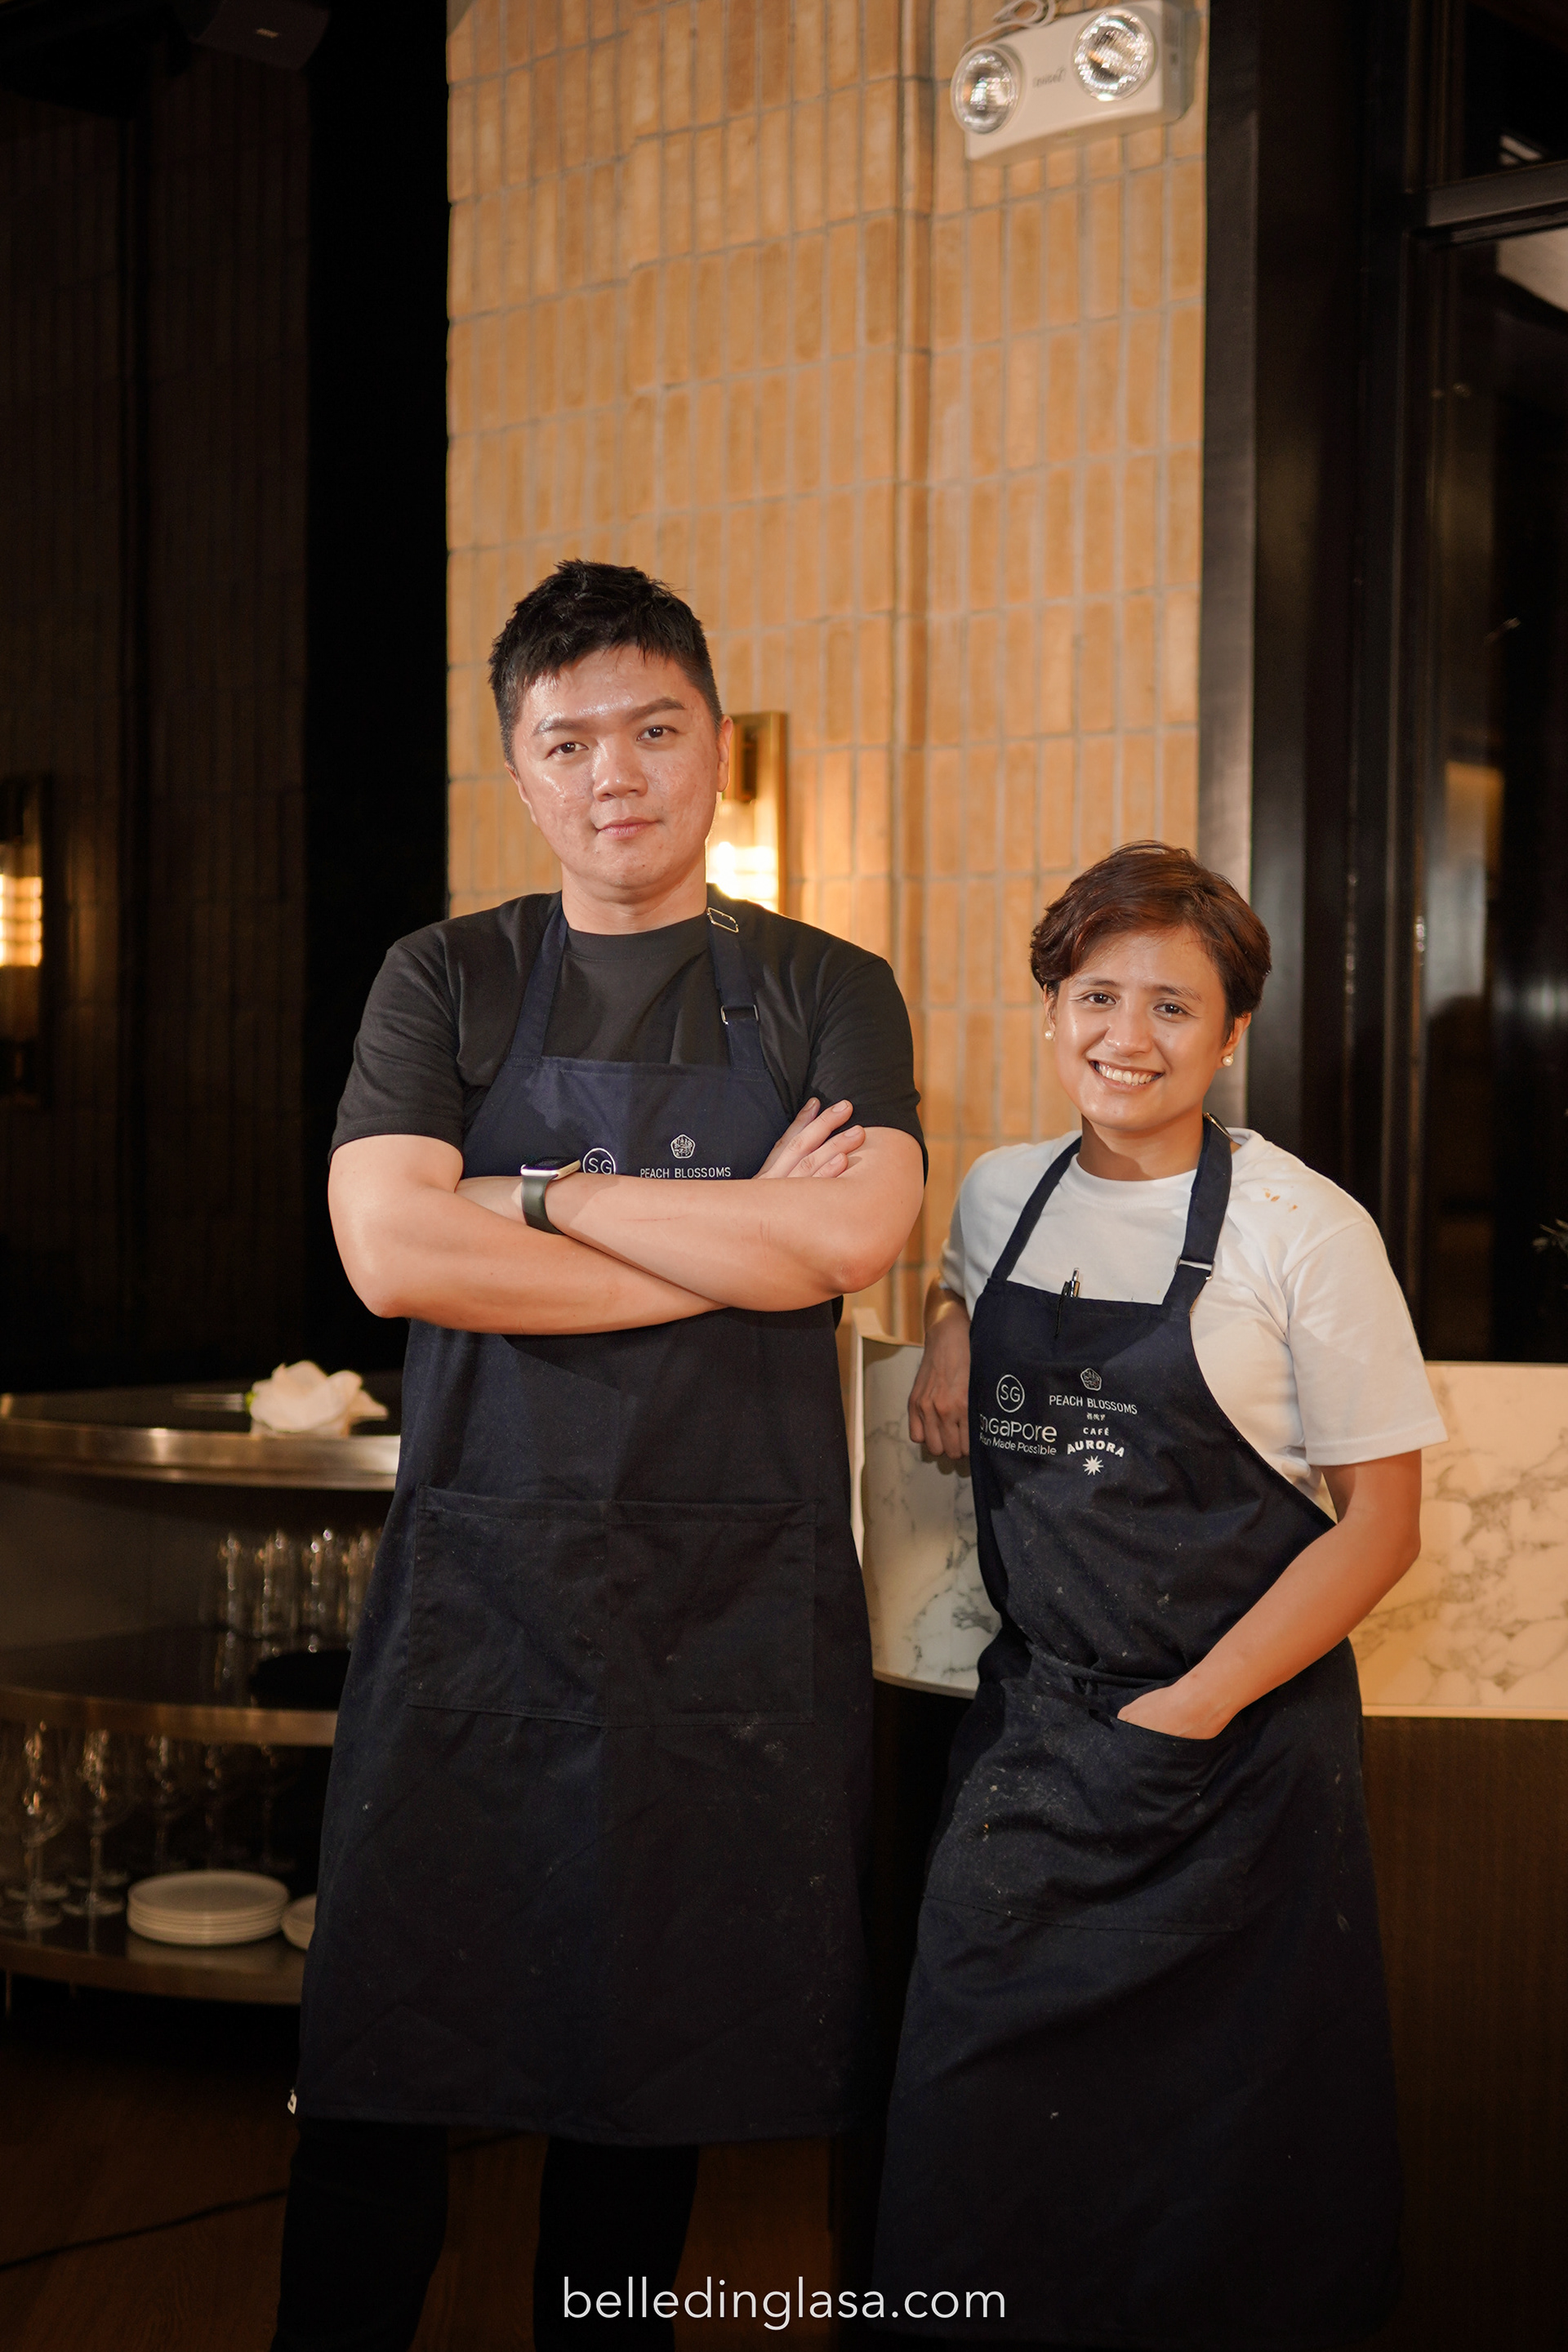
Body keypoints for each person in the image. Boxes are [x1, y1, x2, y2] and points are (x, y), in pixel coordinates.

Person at [272, 560, 926, 2352]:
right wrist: (733, 1249)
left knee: (646, 2086)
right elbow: (391, 1254)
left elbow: (844, 1239)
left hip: (724, 1624)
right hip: (480, 1613)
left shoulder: (826, 986)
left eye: (654, 729)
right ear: (520, 770)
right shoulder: (446, 975)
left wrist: (539, 1199)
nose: (613, 773)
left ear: (716, 747)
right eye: (567, 742)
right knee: (383, 2070)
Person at [872, 842, 1446, 2350]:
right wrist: (949, 1324)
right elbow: (962, 1277)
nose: (1128, 1035)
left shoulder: (1304, 1229)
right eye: (1096, 996)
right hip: (1035, 1741)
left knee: (1229, 2185)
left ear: (1231, 1033)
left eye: (1173, 1007)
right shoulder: (1002, 1192)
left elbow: (1382, 1527)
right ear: (1051, 1011)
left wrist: (1190, 1710)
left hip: (1240, 1765)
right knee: (967, 2152)